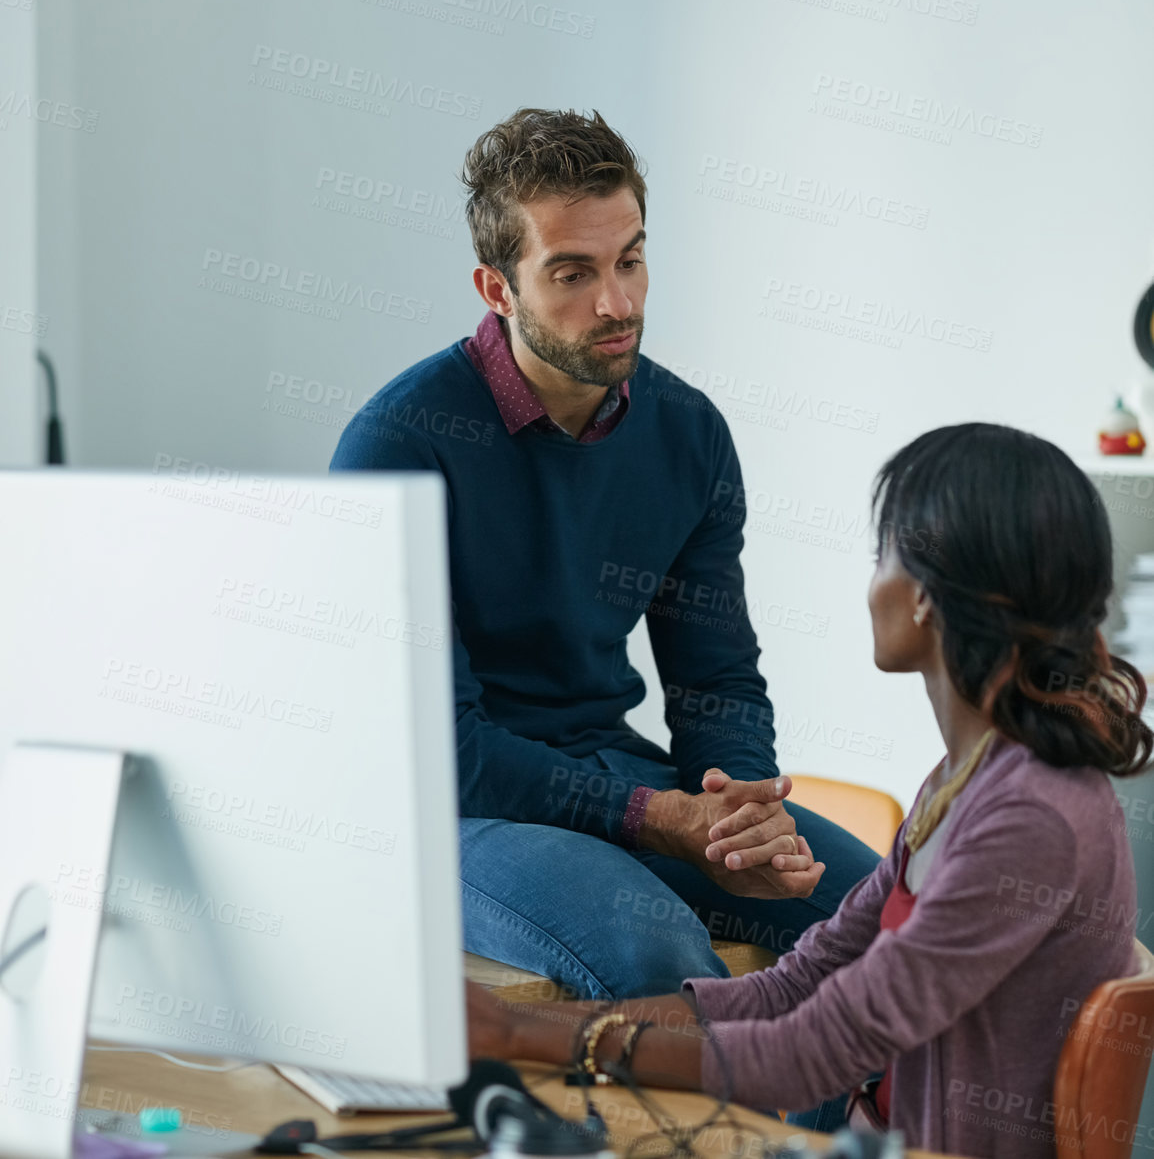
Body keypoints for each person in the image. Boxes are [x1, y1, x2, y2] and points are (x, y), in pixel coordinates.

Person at [465, 422, 1152, 1157]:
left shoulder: (1032, 817)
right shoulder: (964, 781)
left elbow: (807, 1054)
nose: (872, 584)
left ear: (927, 595)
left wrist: (519, 1034)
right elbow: (797, 985)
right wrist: (535, 1034)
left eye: (881, 554)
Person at [331, 107, 878, 998]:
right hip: (454, 807)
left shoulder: (689, 432)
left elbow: (717, 679)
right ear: (497, 289)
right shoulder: (397, 445)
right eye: (573, 273)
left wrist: (737, 807)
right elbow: (445, 748)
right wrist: (659, 817)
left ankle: (808, 1143)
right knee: (655, 960)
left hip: (616, 773)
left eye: (629, 259)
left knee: (881, 920)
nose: (618, 302)